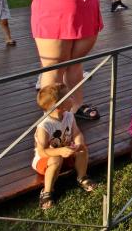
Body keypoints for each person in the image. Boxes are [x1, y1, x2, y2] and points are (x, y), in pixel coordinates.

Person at [33, 83, 96, 211]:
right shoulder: (44, 126)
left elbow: (77, 133)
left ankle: (82, 177)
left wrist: (78, 143)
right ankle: (47, 192)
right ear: (59, 106)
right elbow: (42, 151)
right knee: (56, 158)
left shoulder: (69, 115)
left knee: (82, 149)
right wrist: (60, 151)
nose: (72, 98)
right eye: (69, 97)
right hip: (45, 161)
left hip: (66, 154)